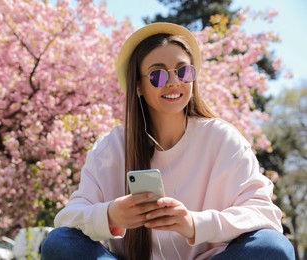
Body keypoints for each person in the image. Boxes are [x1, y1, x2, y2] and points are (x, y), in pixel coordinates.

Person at [41, 22, 294, 259]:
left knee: (272, 247)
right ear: (138, 86)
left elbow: (265, 214)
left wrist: (194, 224)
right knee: (59, 242)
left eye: (184, 71)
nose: (174, 82)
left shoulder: (223, 139)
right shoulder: (110, 148)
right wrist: (110, 215)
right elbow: (67, 219)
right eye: (157, 75)